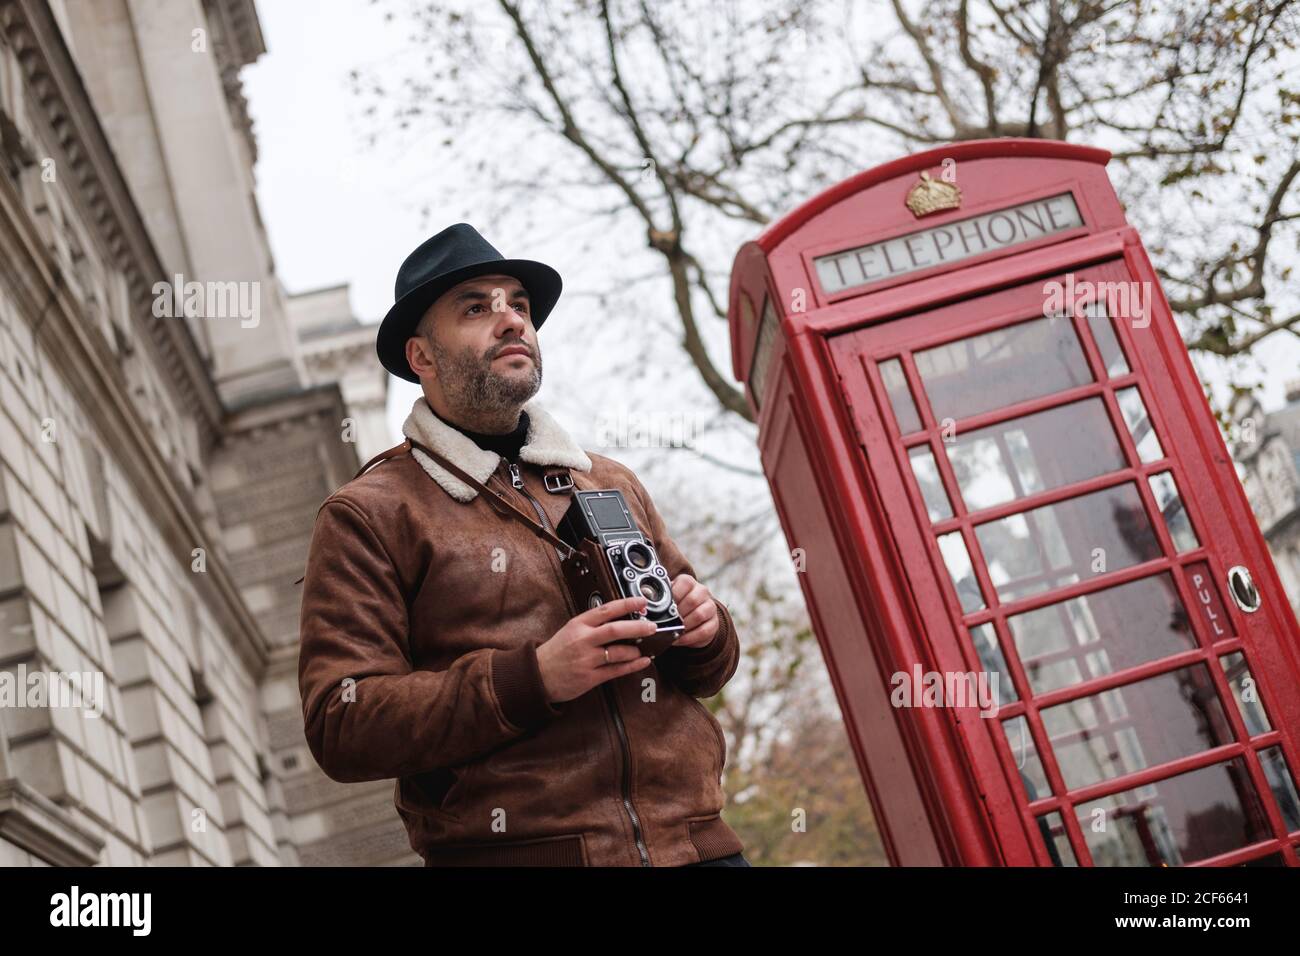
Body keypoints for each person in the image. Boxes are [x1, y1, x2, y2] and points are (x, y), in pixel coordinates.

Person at [297, 223, 749, 867]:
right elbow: (343, 724)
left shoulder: (608, 479)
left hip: (700, 849)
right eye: (476, 307)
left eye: (519, 304)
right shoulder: (369, 514)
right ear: (421, 356)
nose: (510, 320)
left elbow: (704, 671)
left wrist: (708, 630)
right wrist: (533, 678)